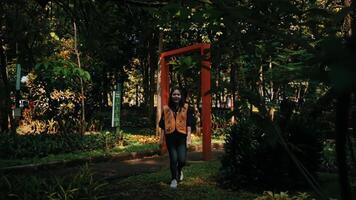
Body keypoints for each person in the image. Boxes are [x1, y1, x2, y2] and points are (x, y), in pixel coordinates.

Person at [159, 87, 193, 189]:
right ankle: (174, 179)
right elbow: (162, 125)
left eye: (178, 94)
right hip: (170, 137)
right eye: (174, 94)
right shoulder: (166, 108)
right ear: (171, 96)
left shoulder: (186, 107)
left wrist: (189, 138)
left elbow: (189, 124)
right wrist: (161, 138)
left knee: (182, 160)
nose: (176, 96)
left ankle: (179, 170)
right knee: (173, 159)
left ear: (181, 96)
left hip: (182, 137)